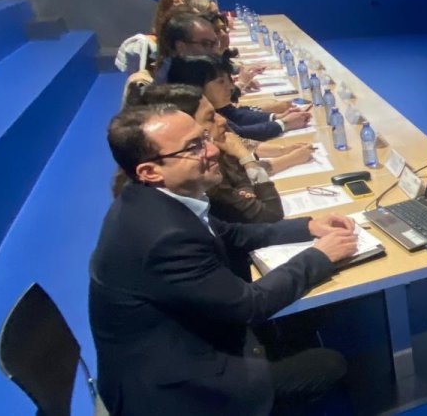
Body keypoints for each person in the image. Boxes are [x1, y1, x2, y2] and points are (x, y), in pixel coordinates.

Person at [90, 105, 356, 415]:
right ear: (150, 171)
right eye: (194, 147)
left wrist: (308, 227)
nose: (213, 149)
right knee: (327, 364)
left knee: (303, 321)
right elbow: (250, 305)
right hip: (175, 388)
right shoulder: (164, 236)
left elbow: (231, 233)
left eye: (203, 137)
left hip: (176, 343)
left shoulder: (153, 197)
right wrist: (319, 255)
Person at [128, 84, 304, 223]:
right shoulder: (198, 174)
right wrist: (246, 158)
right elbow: (271, 214)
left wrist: (244, 188)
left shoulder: (212, 148)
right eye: (210, 117)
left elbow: (240, 175)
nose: (222, 120)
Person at [167, 54, 311, 142]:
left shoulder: (214, 104)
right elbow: (239, 134)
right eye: (221, 82)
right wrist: (283, 124)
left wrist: (275, 117)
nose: (231, 87)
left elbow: (236, 114)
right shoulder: (194, 116)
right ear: (196, 86)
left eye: (229, 80)